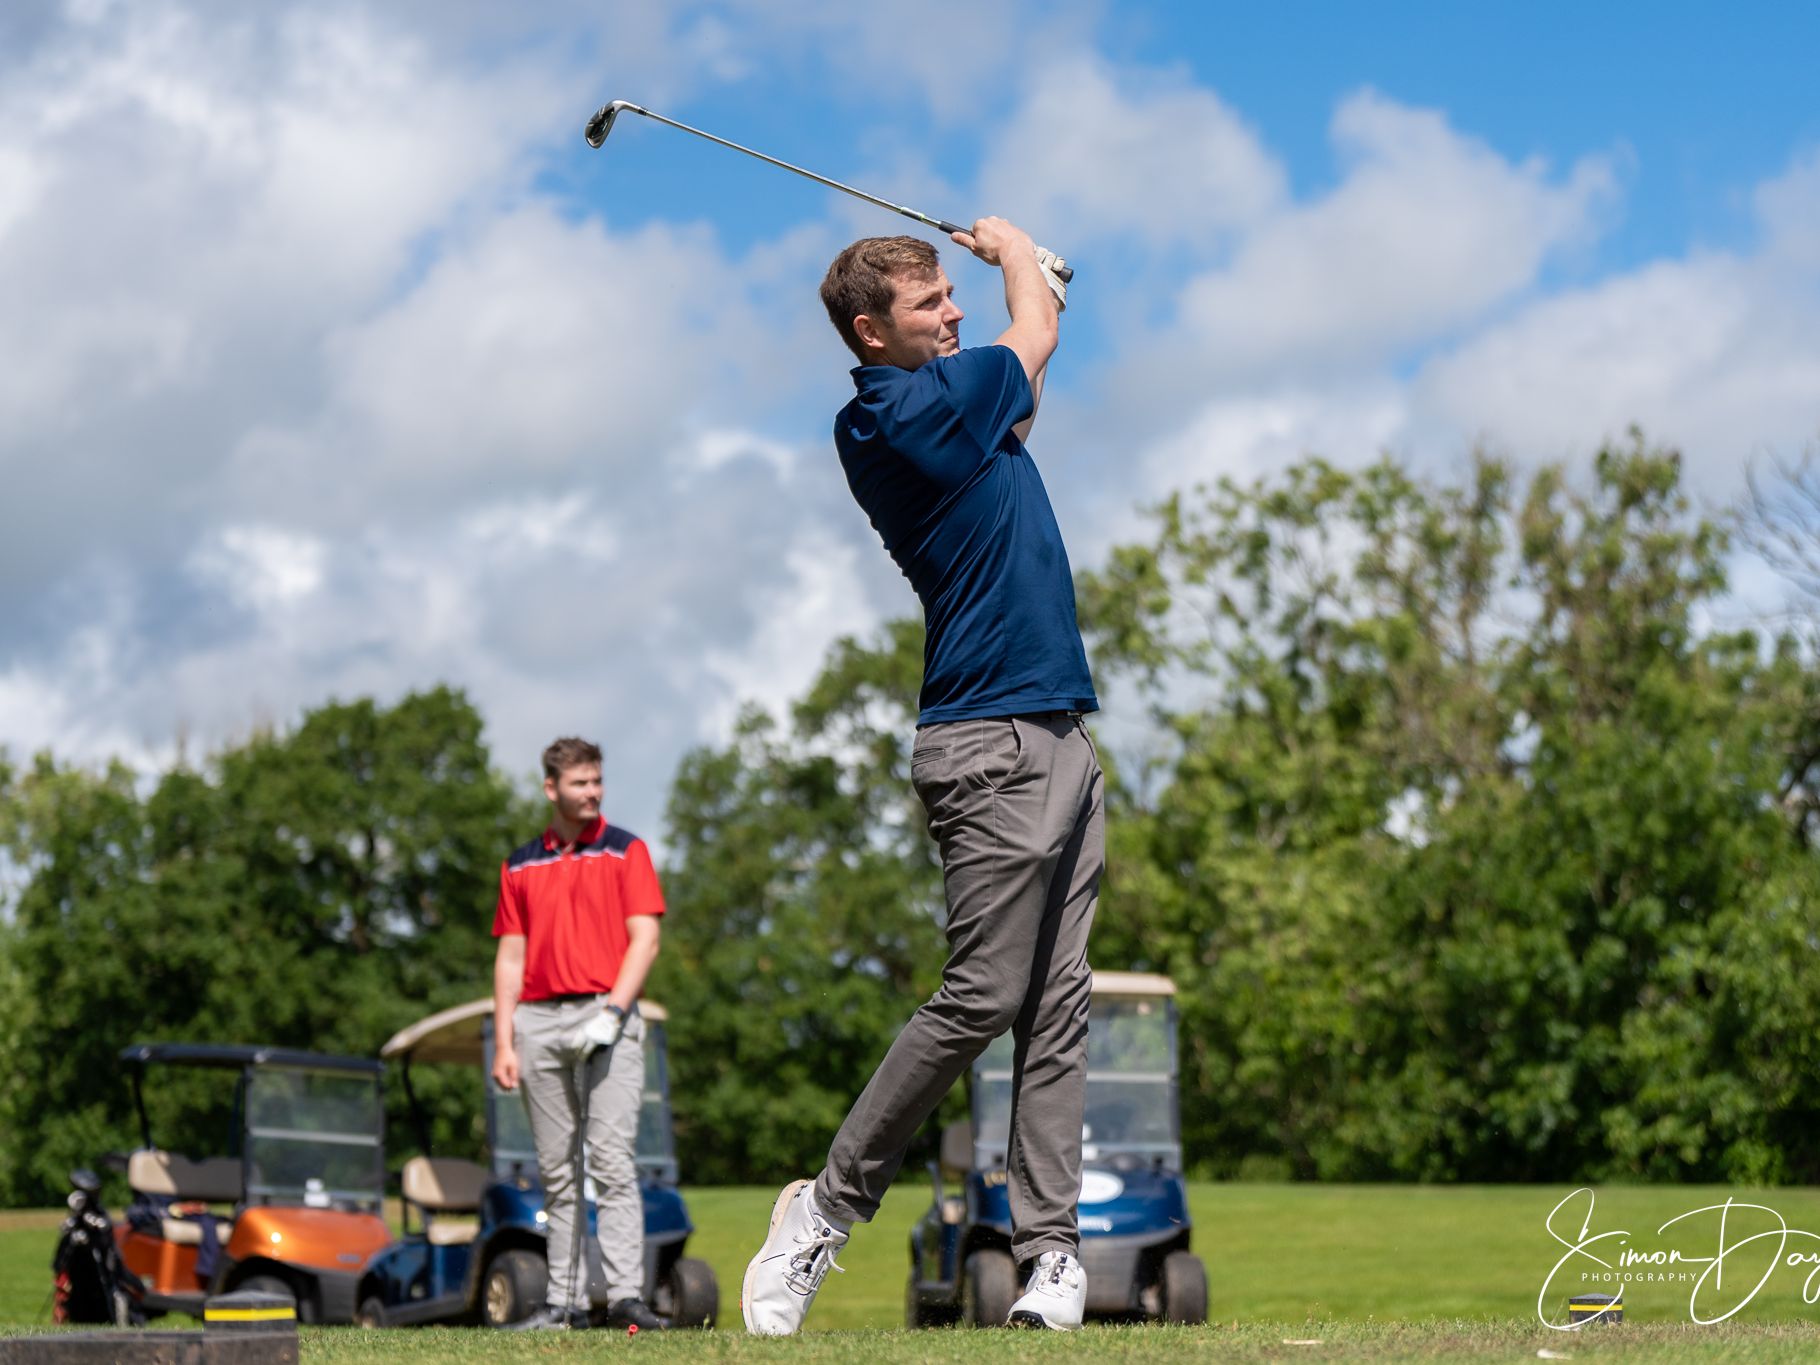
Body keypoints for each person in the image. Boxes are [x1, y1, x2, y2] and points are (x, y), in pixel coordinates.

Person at [742, 220, 1101, 1334]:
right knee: (985, 994)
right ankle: (821, 1209)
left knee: (1056, 1006)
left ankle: (1047, 1255)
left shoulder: (958, 401)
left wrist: (1025, 290)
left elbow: (1028, 363)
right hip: (984, 740)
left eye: (953, 296)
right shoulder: (892, 414)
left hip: (1058, 732)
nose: (950, 315)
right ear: (869, 331)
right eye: (928, 304)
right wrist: (1013, 252)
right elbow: (1031, 333)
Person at [491, 736, 666, 1332]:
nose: (592, 793)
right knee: (558, 1172)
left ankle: (624, 1300)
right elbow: (510, 959)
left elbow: (645, 939)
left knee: (613, 1163)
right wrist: (506, 1040)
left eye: (597, 781)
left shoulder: (626, 851)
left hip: (606, 1017)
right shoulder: (519, 864)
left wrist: (614, 1013)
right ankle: (561, 1303)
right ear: (551, 788)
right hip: (538, 1022)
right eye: (580, 784)